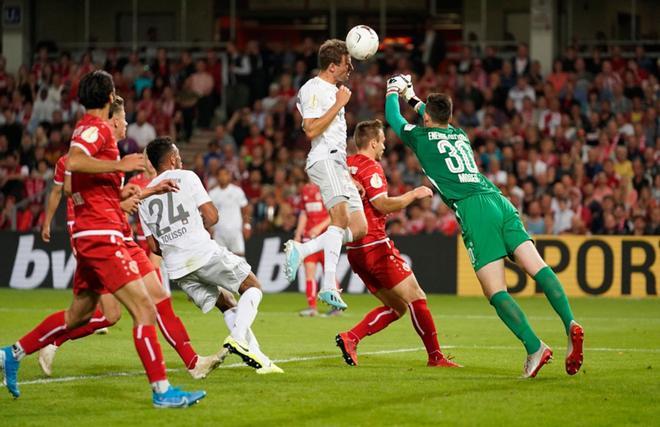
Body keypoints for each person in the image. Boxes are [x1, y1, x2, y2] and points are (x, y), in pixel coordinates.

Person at [0, 71, 206, 407]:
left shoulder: (87, 131)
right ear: (110, 96)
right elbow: (75, 164)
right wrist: (122, 163)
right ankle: (162, 391)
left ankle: (13, 352)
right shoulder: (95, 130)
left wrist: (125, 189)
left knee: (79, 316)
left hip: (100, 229)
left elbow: (72, 183)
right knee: (143, 309)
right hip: (102, 234)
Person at [384, 76, 584, 378]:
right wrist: (411, 95)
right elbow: (432, 113)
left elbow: (393, 117)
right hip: (497, 198)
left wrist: (392, 89)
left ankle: (535, 347)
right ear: (448, 117)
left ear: (426, 118)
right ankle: (570, 323)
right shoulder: (460, 134)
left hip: (472, 208)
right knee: (537, 266)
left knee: (495, 290)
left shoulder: (420, 138)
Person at [37, 96, 224, 381]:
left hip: (118, 237)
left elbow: (110, 199)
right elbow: (80, 196)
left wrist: (143, 191)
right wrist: (127, 195)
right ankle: (39, 344)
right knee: (105, 314)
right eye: (123, 119)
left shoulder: (113, 157)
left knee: (145, 303)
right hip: (97, 238)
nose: (126, 124)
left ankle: (192, 362)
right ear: (112, 120)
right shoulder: (86, 161)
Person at [139, 137, 282, 374]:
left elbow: (153, 246)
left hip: (177, 268)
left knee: (226, 303)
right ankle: (237, 338)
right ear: (173, 158)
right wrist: (194, 228)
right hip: (201, 252)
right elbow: (212, 216)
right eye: (179, 155)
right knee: (252, 285)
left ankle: (258, 357)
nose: (181, 159)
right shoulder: (187, 177)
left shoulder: (144, 196)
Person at [336, 119, 460, 368]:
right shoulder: (371, 168)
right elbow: (382, 204)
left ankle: (351, 337)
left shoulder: (345, 166)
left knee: (396, 307)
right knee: (416, 296)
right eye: (382, 142)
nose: (384, 147)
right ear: (372, 142)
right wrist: (413, 194)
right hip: (374, 246)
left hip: (355, 251)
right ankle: (435, 357)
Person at [284, 39, 368, 310]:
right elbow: (309, 130)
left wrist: (347, 173)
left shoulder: (332, 89)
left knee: (358, 227)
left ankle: (303, 249)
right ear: (333, 66)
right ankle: (329, 285)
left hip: (338, 163)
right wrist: (338, 103)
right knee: (340, 218)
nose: (351, 67)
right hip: (323, 160)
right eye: (347, 63)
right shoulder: (314, 89)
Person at [293, 181, 331, 317]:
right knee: (309, 272)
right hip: (309, 238)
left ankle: (335, 307)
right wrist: (298, 234)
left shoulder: (327, 187)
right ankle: (312, 307)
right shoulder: (305, 189)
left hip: (327, 238)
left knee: (329, 272)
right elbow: (304, 214)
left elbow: (335, 213)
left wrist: (320, 227)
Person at [208, 166, 251, 257]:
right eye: (221, 175)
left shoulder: (237, 191)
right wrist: (210, 228)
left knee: (240, 258)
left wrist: (247, 225)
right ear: (217, 177)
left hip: (235, 232)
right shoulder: (212, 193)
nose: (223, 177)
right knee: (220, 260)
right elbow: (209, 212)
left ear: (229, 176)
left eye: (225, 174)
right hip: (219, 233)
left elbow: (245, 209)